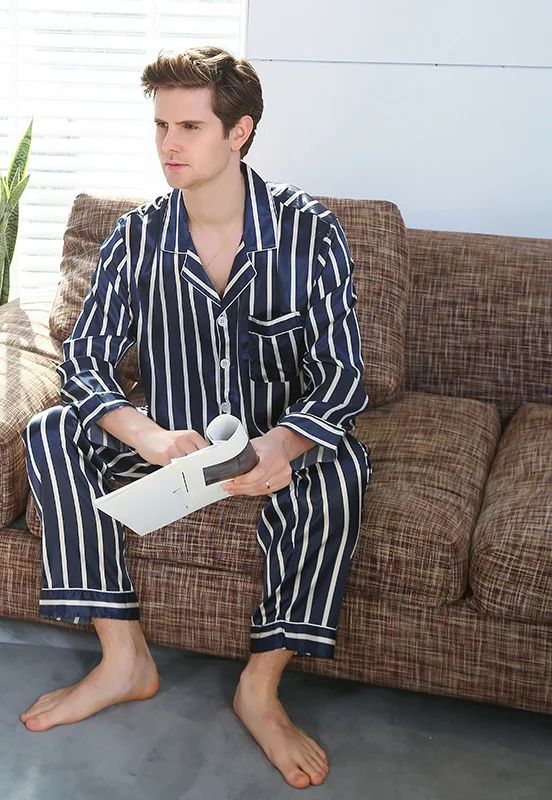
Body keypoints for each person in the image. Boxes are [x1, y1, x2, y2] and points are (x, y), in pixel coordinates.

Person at [20, 45, 373, 790]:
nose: (168, 145)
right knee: (51, 429)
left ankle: (260, 689)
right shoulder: (136, 237)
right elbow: (83, 360)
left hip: (271, 451)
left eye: (189, 127)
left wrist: (283, 444)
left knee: (345, 464)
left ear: (239, 132)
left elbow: (343, 376)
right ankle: (124, 660)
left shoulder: (310, 233)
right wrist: (146, 435)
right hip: (170, 451)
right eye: (160, 126)